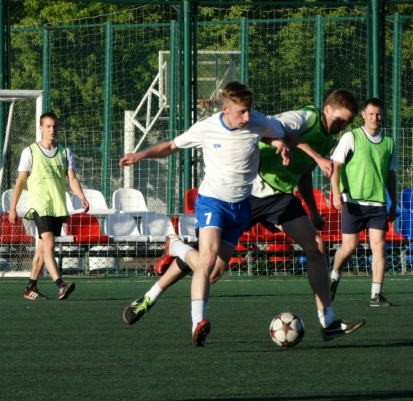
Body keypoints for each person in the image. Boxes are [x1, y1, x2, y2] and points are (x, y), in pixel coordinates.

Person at [123, 89, 367, 344]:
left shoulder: (327, 139)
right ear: (327, 110)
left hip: (278, 198)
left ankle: (328, 322)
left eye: (348, 122)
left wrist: (313, 210)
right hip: (247, 192)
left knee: (315, 245)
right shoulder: (304, 118)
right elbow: (274, 130)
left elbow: (303, 173)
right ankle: (153, 291)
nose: (343, 126)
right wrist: (284, 145)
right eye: (340, 119)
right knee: (210, 268)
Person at [120, 81, 293, 347]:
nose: (247, 116)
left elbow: (270, 133)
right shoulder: (207, 128)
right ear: (225, 109)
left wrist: (279, 143)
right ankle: (197, 322)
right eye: (241, 112)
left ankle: (170, 258)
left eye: (249, 110)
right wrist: (141, 155)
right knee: (207, 258)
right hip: (213, 202)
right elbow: (172, 146)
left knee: (212, 272)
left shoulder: (257, 121)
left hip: (241, 207)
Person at [9, 112, 89, 301]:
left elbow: (72, 178)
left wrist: (81, 196)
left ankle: (30, 287)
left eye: (54, 126)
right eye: (48, 126)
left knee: (42, 247)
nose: (52, 130)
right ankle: (60, 284)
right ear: (41, 128)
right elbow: (20, 181)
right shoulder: (30, 151)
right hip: (40, 206)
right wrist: (13, 208)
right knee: (50, 243)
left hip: (57, 206)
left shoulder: (65, 152)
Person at [329, 98, 397, 307]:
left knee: (379, 246)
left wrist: (393, 201)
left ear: (382, 115)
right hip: (353, 202)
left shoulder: (389, 143)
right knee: (349, 247)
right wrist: (336, 192)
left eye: (378, 114)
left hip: (377, 204)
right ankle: (333, 276)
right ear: (364, 115)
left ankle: (376, 295)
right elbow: (336, 166)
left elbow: (390, 174)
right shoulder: (351, 137)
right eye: (371, 114)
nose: (375, 118)